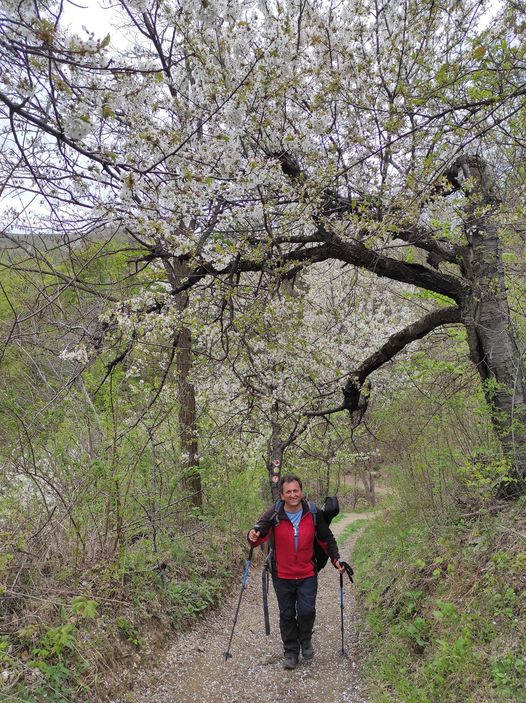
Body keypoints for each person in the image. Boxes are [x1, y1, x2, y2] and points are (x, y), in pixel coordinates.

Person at [248, 474, 345, 670]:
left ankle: (305, 639)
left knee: (307, 611)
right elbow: (257, 536)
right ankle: (291, 651)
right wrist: (252, 536)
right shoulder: (274, 514)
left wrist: (336, 560)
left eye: (296, 491)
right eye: (288, 492)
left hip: (307, 573)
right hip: (282, 575)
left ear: (301, 492)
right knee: (287, 614)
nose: (293, 495)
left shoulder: (313, 513)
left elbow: (327, 539)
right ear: (282, 495)